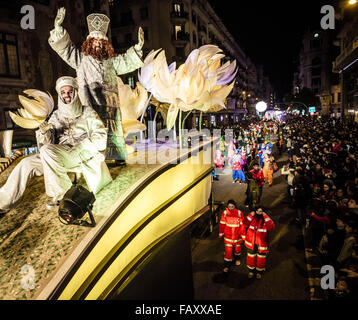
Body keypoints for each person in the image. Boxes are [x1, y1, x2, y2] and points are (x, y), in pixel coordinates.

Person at [0, 76, 110, 213]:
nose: (67, 95)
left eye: (69, 92)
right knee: (26, 163)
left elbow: (101, 136)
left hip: (79, 153)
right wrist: (44, 134)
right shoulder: (56, 115)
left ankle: (63, 194)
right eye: (63, 92)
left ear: (75, 92)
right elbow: (47, 145)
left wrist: (82, 146)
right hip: (57, 155)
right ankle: (2, 202)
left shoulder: (87, 112)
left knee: (47, 151)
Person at [48, 8, 144, 164]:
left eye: (101, 42)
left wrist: (138, 48)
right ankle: (94, 161)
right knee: (93, 132)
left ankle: (117, 158)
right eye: (95, 42)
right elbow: (66, 49)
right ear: (89, 43)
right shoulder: (80, 59)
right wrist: (58, 28)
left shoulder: (110, 62)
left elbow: (126, 61)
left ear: (105, 44)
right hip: (92, 105)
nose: (98, 45)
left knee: (113, 131)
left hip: (111, 107)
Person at [243, 206, 275, 279]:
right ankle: (251, 271)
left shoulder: (266, 220)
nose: (259, 213)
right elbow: (245, 223)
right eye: (257, 211)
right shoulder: (252, 218)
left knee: (261, 259)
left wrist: (265, 216)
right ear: (255, 211)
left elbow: (272, 227)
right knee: (250, 258)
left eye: (261, 211)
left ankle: (259, 272)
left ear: (263, 212)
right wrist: (250, 215)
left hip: (261, 244)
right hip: (251, 243)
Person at [219, 200, 246, 273]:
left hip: (237, 235)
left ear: (235, 206)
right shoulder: (225, 213)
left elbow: (242, 225)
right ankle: (227, 266)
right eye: (229, 206)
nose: (231, 208)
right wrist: (221, 233)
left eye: (232, 206)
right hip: (228, 236)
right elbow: (222, 224)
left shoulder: (239, 213)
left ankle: (237, 259)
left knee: (237, 249)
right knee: (228, 251)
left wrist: (243, 235)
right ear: (227, 206)